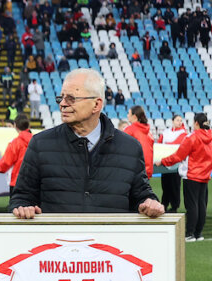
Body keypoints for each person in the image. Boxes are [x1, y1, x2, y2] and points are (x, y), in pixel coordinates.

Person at [9, 69, 164, 218]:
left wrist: (149, 203)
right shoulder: (40, 144)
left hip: (109, 243)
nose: (62, 104)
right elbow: (21, 197)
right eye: (61, 98)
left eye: (71, 98)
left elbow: (142, 196)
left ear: (96, 105)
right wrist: (23, 207)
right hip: (58, 243)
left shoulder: (130, 148)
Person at [159, 113, 212, 241]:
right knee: (201, 204)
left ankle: (190, 233)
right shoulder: (210, 137)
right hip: (204, 175)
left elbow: (179, 156)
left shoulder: (192, 137)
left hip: (191, 174)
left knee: (192, 205)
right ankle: (198, 233)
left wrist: (163, 161)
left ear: (196, 123)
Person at [0, 113, 33, 189]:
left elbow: (5, 163)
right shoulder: (37, 141)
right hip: (33, 183)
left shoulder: (15, 143)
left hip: (17, 182)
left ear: (15, 125)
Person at [159, 114, 188, 212]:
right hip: (165, 163)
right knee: (165, 185)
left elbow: (176, 145)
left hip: (176, 164)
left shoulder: (183, 133)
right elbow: (159, 144)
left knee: (175, 185)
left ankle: (174, 206)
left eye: (180, 120)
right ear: (172, 121)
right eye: (177, 120)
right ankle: (164, 204)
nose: (179, 122)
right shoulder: (166, 132)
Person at [123, 105, 154, 178]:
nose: (127, 115)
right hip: (147, 171)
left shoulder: (129, 130)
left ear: (134, 116)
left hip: (133, 172)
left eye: (129, 113)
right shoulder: (149, 133)